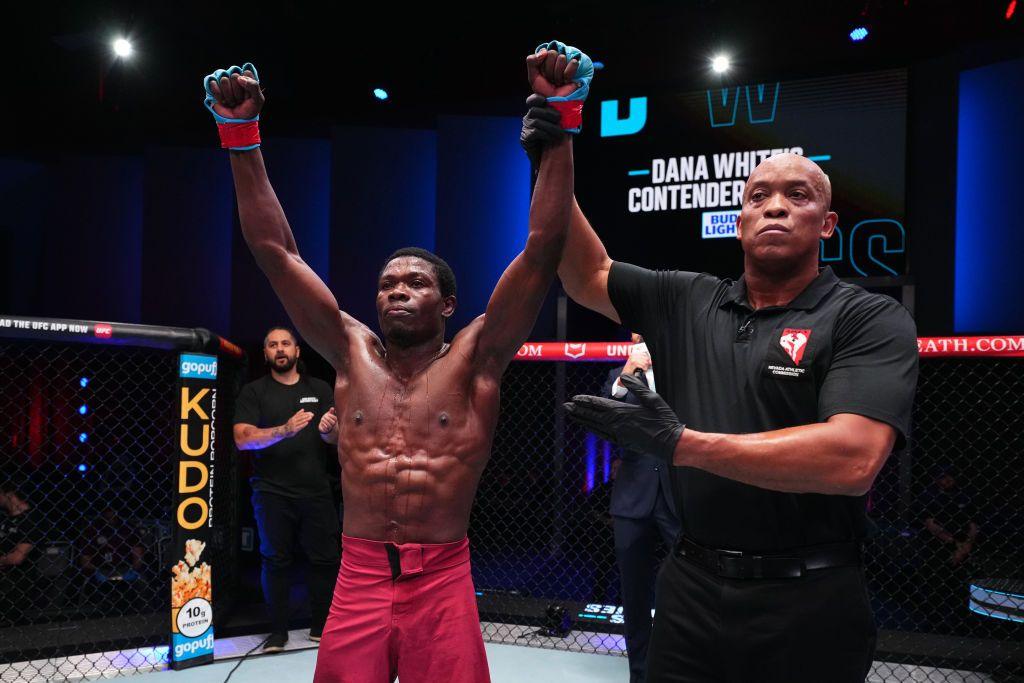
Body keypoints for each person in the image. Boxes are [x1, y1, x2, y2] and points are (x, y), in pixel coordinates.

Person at [204, 39, 588, 682]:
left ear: (448, 302)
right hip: (356, 575)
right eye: (386, 284)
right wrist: (241, 135)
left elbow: (545, 247)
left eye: (414, 283)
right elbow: (277, 252)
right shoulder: (350, 352)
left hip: (442, 577)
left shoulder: (477, 358)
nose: (397, 291)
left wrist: (563, 123)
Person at [524, 97, 919, 682]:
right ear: (739, 222)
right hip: (690, 586)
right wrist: (555, 151)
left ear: (827, 224)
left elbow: (852, 458)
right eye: (758, 197)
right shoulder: (689, 298)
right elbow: (586, 273)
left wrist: (682, 445)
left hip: (809, 598)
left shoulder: (867, 317)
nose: (776, 207)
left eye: (798, 195)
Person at [234, 326, 339, 652]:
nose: (280, 349)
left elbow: (335, 440)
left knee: (325, 559)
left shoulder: (320, 388)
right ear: (265, 354)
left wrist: (328, 431)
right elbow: (242, 439)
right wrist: (284, 429)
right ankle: (277, 632)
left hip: (316, 490)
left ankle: (320, 628)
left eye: (286, 344)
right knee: (275, 560)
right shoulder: (254, 392)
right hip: (271, 491)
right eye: (272, 345)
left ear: (297, 351)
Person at [601, 334, 680, 683]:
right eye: (634, 335)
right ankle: (641, 674)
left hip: (679, 495)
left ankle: (681, 666)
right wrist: (629, 373)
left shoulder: (685, 372)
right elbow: (606, 416)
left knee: (688, 587)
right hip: (633, 497)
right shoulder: (619, 377)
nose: (639, 338)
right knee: (633, 594)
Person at [0, 482, 39, 624]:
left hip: (18, 576)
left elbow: (18, 557)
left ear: (9, 495)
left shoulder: (31, 519)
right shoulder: (4, 517)